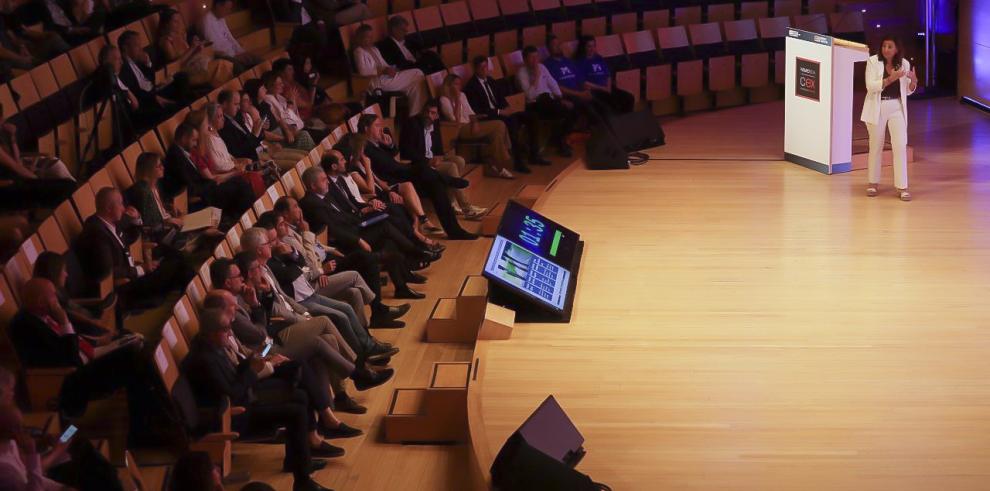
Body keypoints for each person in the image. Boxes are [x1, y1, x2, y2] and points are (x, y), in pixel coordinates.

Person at [181, 308, 334, 491]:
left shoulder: (210, 346)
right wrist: (252, 371)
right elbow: (231, 394)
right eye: (226, 329)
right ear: (213, 332)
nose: (230, 332)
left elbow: (232, 377)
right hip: (233, 417)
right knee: (296, 410)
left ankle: (298, 463)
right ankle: (303, 480)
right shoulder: (205, 360)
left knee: (300, 397)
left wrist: (250, 362)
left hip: (241, 403)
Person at [202, 291, 383, 436]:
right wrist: (257, 309)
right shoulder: (231, 324)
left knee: (326, 340)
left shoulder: (229, 322)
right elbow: (257, 336)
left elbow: (280, 302)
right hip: (268, 349)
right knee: (318, 343)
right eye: (232, 305)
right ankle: (357, 374)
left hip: (267, 346)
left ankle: (333, 405)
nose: (241, 281)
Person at [7, 278, 157, 438]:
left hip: (85, 360)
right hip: (72, 380)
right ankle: (142, 427)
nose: (57, 300)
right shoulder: (26, 326)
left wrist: (97, 341)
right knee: (133, 356)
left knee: (135, 344)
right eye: (53, 296)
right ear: (40, 302)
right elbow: (70, 358)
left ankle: (148, 420)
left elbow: (72, 341)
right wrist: (64, 320)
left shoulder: (41, 316)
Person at [273, 194, 411, 327]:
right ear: (285, 214)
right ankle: (379, 308)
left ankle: (375, 317)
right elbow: (308, 262)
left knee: (367, 260)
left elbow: (316, 245)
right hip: (321, 274)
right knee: (365, 258)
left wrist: (331, 249)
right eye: (296, 207)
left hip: (328, 260)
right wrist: (307, 235)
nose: (300, 209)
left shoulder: (296, 227)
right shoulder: (288, 238)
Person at [299, 166, 431, 299]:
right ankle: (416, 252)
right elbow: (333, 230)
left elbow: (344, 216)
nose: (328, 182)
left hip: (354, 229)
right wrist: (359, 240)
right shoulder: (311, 203)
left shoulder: (325, 196)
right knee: (385, 227)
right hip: (344, 242)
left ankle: (402, 286)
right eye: (323, 180)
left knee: (389, 240)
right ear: (313, 185)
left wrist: (362, 212)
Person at [359, 113, 478, 240]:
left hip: (402, 174)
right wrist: (409, 168)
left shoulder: (377, 142)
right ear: (366, 129)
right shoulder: (364, 147)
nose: (381, 129)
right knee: (422, 168)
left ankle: (454, 231)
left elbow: (393, 154)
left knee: (435, 184)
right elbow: (388, 166)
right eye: (377, 126)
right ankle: (446, 179)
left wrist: (389, 145)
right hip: (395, 182)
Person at [75, 187, 192, 310]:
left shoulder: (109, 221)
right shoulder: (97, 234)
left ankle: (189, 297)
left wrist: (137, 221)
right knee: (175, 266)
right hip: (125, 287)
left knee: (177, 257)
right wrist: (141, 269)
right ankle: (189, 301)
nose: (123, 208)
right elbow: (109, 272)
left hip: (133, 272)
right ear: (109, 208)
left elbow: (128, 239)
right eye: (120, 204)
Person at [340, 134, 445, 240]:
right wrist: (367, 167)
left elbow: (379, 181)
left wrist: (390, 191)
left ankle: (423, 221)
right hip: (374, 196)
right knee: (405, 201)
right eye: (362, 147)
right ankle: (418, 230)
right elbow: (370, 189)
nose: (364, 149)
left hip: (382, 191)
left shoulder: (362, 162)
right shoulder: (353, 169)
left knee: (407, 185)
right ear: (357, 148)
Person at [404, 100, 491, 218]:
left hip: (433, 159)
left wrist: (439, 157)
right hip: (420, 164)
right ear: (423, 111)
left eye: (434, 113)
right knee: (451, 167)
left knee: (459, 160)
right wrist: (427, 160)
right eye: (428, 112)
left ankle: (451, 203)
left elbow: (438, 147)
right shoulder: (412, 124)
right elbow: (406, 151)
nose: (430, 116)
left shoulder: (435, 123)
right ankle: (467, 209)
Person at [125, 152, 223, 253]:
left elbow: (157, 208)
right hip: (161, 234)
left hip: (170, 225)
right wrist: (169, 221)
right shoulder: (143, 190)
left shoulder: (154, 184)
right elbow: (149, 224)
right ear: (148, 171)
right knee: (208, 236)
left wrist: (170, 208)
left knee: (212, 220)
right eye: (158, 166)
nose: (163, 167)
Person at [463, 56, 547, 170]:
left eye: (485, 66)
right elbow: (477, 110)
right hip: (489, 116)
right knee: (511, 123)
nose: (484, 70)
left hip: (502, 112)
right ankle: (518, 162)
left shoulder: (491, 81)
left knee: (531, 117)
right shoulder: (471, 87)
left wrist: (507, 108)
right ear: (475, 69)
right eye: (481, 67)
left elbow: (501, 99)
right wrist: (499, 111)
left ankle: (534, 154)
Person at [861, 35, 918, 201]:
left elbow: (907, 90)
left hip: (896, 108)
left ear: (896, 49)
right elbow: (870, 87)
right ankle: (873, 183)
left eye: (890, 46)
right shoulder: (873, 61)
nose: (886, 49)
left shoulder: (904, 64)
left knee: (900, 145)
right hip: (877, 108)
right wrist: (889, 79)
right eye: (884, 46)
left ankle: (902, 186)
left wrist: (913, 82)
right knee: (876, 145)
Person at [162, 122, 255, 218]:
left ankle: (245, 217)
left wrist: (215, 182)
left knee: (239, 182)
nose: (195, 144)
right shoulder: (175, 156)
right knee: (240, 187)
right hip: (199, 198)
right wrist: (213, 183)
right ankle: (246, 218)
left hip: (205, 190)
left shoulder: (181, 152)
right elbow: (189, 185)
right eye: (193, 140)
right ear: (184, 138)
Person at [437, 75, 516, 179]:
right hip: (459, 129)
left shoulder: (462, 95)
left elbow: (471, 113)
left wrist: (475, 123)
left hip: (470, 125)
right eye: (456, 84)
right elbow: (455, 120)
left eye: (460, 84)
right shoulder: (444, 100)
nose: (459, 87)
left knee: (496, 135)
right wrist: (457, 100)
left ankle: (498, 167)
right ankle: (506, 155)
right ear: (448, 85)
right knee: (499, 124)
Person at [0, 106, 76, 211]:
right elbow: (16, 167)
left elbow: (16, 161)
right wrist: (37, 179)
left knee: (67, 184)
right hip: (7, 188)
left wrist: (12, 137)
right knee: (67, 187)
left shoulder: (2, 137)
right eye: (1, 119)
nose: (3, 121)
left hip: (17, 180)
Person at [33, 251, 115, 338]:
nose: (66, 274)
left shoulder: (58, 291)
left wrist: (97, 301)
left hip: (86, 316)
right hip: (82, 325)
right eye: (63, 271)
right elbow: (69, 313)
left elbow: (69, 302)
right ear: (54, 273)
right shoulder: (51, 298)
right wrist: (92, 321)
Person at [351, 24, 427, 116]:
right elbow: (363, 72)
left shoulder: (374, 49)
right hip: (377, 82)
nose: (370, 40)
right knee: (418, 72)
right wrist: (383, 71)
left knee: (416, 85)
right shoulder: (359, 52)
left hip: (387, 77)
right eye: (367, 37)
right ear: (360, 38)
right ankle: (415, 118)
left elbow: (384, 65)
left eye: (371, 37)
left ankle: (414, 116)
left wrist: (393, 69)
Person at [516, 45, 577, 158]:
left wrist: (560, 98)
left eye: (536, 57)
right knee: (560, 111)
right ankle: (560, 143)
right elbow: (529, 96)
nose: (535, 61)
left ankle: (559, 139)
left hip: (549, 99)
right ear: (525, 59)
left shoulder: (542, 67)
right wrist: (536, 78)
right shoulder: (521, 73)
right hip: (534, 103)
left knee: (572, 110)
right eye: (531, 58)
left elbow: (552, 83)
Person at [202, 103, 274, 196]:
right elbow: (218, 165)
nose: (223, 119)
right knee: (256, 175)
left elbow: (228, 156)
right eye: (219, 116)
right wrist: (237, 165)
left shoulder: (217, 134)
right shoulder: (209, 139)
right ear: (210, 121)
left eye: (222, 115)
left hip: (235, 168)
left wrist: (239, 161)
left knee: (269, 167)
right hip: (228, 176)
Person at [157, 8, 234, 88]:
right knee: (221, 65)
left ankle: (227, 90)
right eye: (175, 21)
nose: (179, 24)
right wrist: (192, 48)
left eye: (180, 20)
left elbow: (188, 54)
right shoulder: (166, 41)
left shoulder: (182, 35)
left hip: (195, 64)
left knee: (225, 64)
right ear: (166, 24)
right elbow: (176, 64)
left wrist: (196, 48)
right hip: (185, 73)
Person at [117, 30, 192, 110]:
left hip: (154, 92)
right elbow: (136, 92)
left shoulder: (138, 61)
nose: (140, 49)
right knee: (160, 103)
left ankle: (183, 105)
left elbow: (151, 81)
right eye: (136, 45)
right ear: (125, 48)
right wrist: (153, 96)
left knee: (182, 77)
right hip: (147, 100)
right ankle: (182, 107)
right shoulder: (122, 67)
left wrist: (148, 64)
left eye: (140, 45)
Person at [543, 35, 608, 127]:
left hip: (580, 93)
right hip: (568, 96)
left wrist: (586, 91)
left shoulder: (569, 61)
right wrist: (580, 94)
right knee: (591, 112)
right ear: (548, 49)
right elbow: (556, 87)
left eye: (559, 44)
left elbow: (580, 80)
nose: (558, 47)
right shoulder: (547, 65)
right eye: (554, 45)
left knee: (602, 106)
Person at [574, 35, 635, 114]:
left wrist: (608, 87)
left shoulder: (598, 58)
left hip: (606, 88)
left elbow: (608, 75)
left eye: (594, 46)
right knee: (612, 102)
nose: (592, 49)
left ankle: (627, 121)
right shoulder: (579, 62)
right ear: (583, 47)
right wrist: (602, 88)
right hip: (594, 90)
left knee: (629, 98)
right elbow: (583, 82)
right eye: (589, 46)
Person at [261, 71, 318, 151]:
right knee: (306, 135)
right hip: (285, 133)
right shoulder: (268, 99)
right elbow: (282, 118)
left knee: (321, 130)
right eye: (279, 83)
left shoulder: (279, 97)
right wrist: (290, 103)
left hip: (297, 127)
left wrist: (292, 101)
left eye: (282, 83)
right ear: (270, 86)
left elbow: (293, 113)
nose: (282, 85)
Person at [198, 0, 261, 72]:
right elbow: (215, 48)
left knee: (257, 59)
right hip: (224, 56)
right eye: (227, 9)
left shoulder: (221, 18)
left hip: (233, 53)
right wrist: (235, 56)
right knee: (240, 67)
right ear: (218, 5)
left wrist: (241, 51)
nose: (228, 12)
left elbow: (230, 37)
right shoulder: (206, 21)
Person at [375, 15, 444, 75]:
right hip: (406, 68)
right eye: (403, 30)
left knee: (432, 55)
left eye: (406, 31)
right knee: (429, 64)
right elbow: (398, 63)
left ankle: (445, 75)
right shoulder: (386, 45)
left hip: (416, 64)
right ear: (394, 30)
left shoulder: (408, 40)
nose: (405, 33)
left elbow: (420, 46)